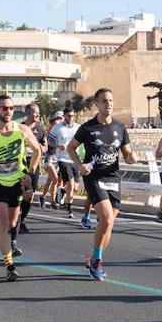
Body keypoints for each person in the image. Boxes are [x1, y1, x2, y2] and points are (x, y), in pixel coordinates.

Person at [64, 87, 137, 281]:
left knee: (109, 223)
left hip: (113, 178)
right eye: (104, 101)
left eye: (111, 100)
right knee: (106, 218)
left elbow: (127, 153)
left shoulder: (120, 127)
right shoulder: (87, 128)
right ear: (97, 104)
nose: (108, 104)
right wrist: (80, 166)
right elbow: (71, 148)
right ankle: (97, 261)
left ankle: (92, 257)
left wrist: (131, 157)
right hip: (94, 177)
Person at [0, 95, 44, 281]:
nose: (8, 111)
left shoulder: (22, 130)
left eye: (11, 108)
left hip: (16, 182)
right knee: (4, 223)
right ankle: (9, 266)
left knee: (13, 222)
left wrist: (30, 172)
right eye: (4, 108)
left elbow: (37, 150)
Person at [16, 102, 47, 237]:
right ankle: (15, 220)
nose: (37, 114)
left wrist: (41, 147)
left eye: (38, 112)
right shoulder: (20, 127)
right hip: (20, 163)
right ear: (28, 113)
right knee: (19, 193)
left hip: (34, 162)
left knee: (30, 195)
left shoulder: (41, 129)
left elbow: (45, 147)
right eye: (35, 112)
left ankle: (20, 220)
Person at [49, 108, 79, 215]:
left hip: (75, 159)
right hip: (62, 159)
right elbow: (50, 141)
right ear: (64, 116)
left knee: (75, 188)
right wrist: (58, 146)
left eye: (72, 116)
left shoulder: (78, 127)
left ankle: (62, 190)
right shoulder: (58, 128)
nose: (70, 118)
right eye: (68, 116)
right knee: (70, 184)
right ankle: (69, 210)